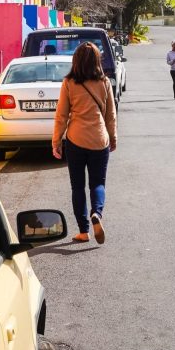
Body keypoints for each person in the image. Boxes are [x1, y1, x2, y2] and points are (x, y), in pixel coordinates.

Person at [52, 42, 117, 244]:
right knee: (98, 183)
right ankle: (96, 213)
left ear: (76, 61)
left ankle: (83, 231)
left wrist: (56, 141)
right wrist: (113, 137)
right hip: (99, 139)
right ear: (97, 61)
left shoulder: (69, 82)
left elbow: (61, 115)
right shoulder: (104, 82)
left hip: (76, 139)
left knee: (77, 187)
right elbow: (110, 115)